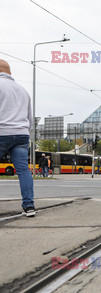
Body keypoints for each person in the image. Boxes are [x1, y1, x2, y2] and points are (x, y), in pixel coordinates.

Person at [0, 59, 36, 217]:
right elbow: (30, 119)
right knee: (23, 170)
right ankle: (29, 207)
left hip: (2, 132)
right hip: (22, 134)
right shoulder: (23, 90)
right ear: (10, 73)